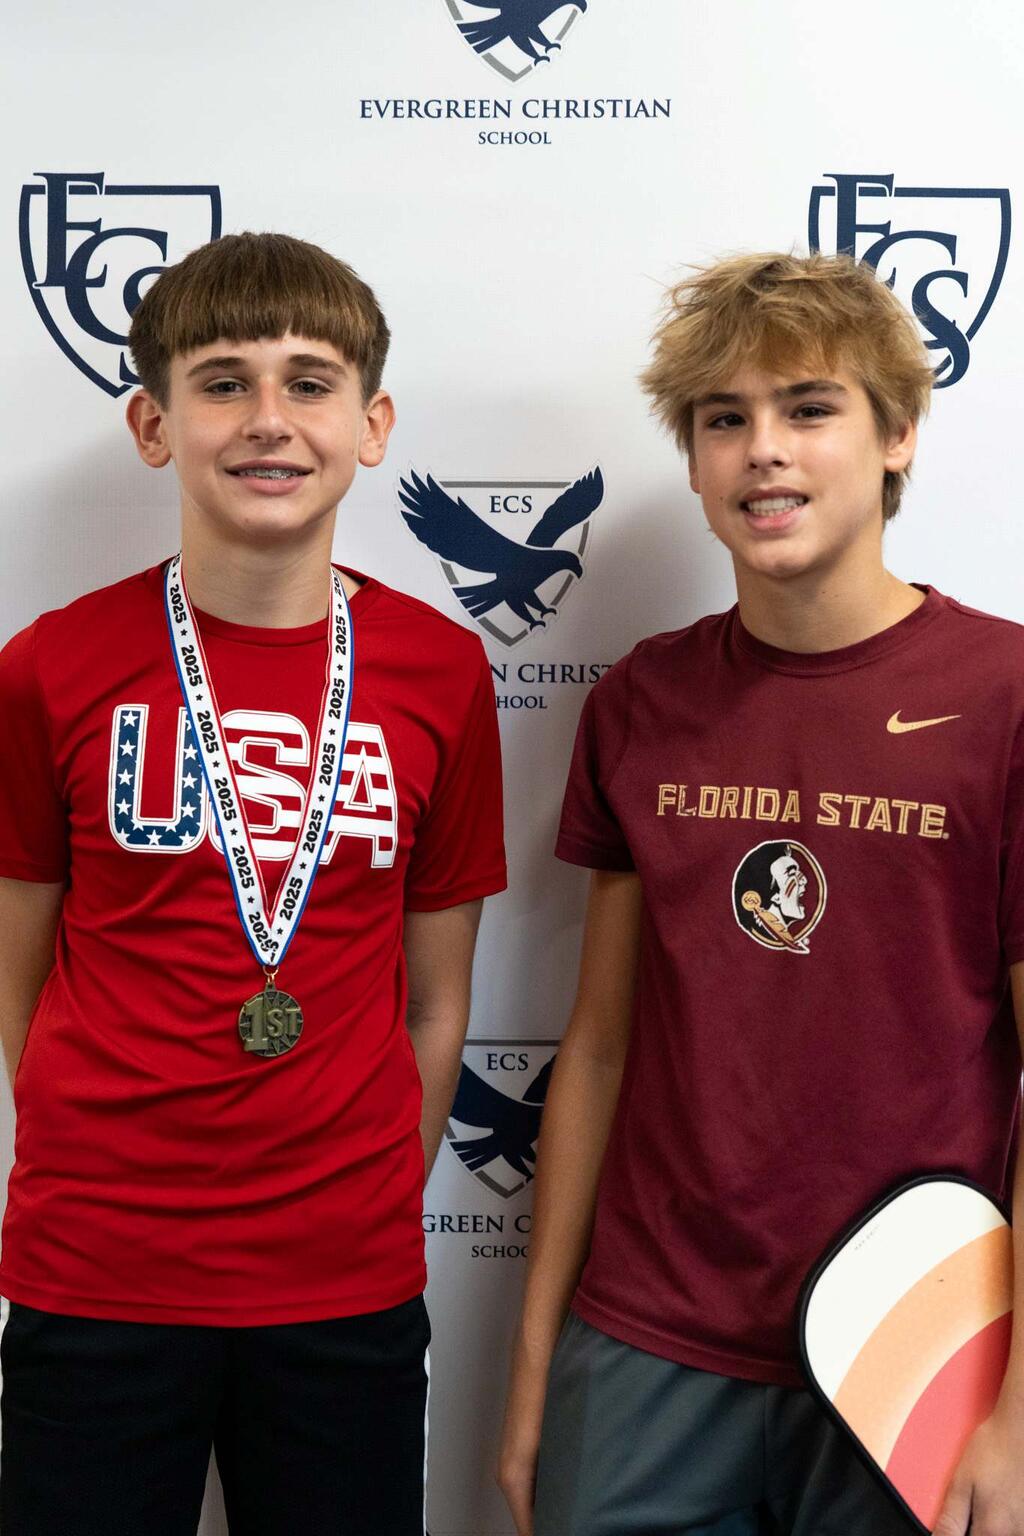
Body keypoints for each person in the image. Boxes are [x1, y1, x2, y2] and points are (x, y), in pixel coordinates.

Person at [498, 251, 1024, 1536]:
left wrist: (1016, 1414)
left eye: (808, 407)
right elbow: (601, 1048)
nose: (763, 451)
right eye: (723, 419)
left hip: (915, 1359)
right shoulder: (642, 699)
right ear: (692, 461)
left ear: (897, 436)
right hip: (645, 1342)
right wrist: (534, 1371)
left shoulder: (1005, 700)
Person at [0, 231, 506, 1535]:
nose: (268, 419)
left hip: (346, 1283)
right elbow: (21, 979)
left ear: (371, 425)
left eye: (309, 382)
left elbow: (436, 1000)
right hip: (97, 1274)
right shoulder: (50, 666)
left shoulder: (442, 672)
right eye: (223, 382)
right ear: (153, 423)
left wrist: (370, 1202)